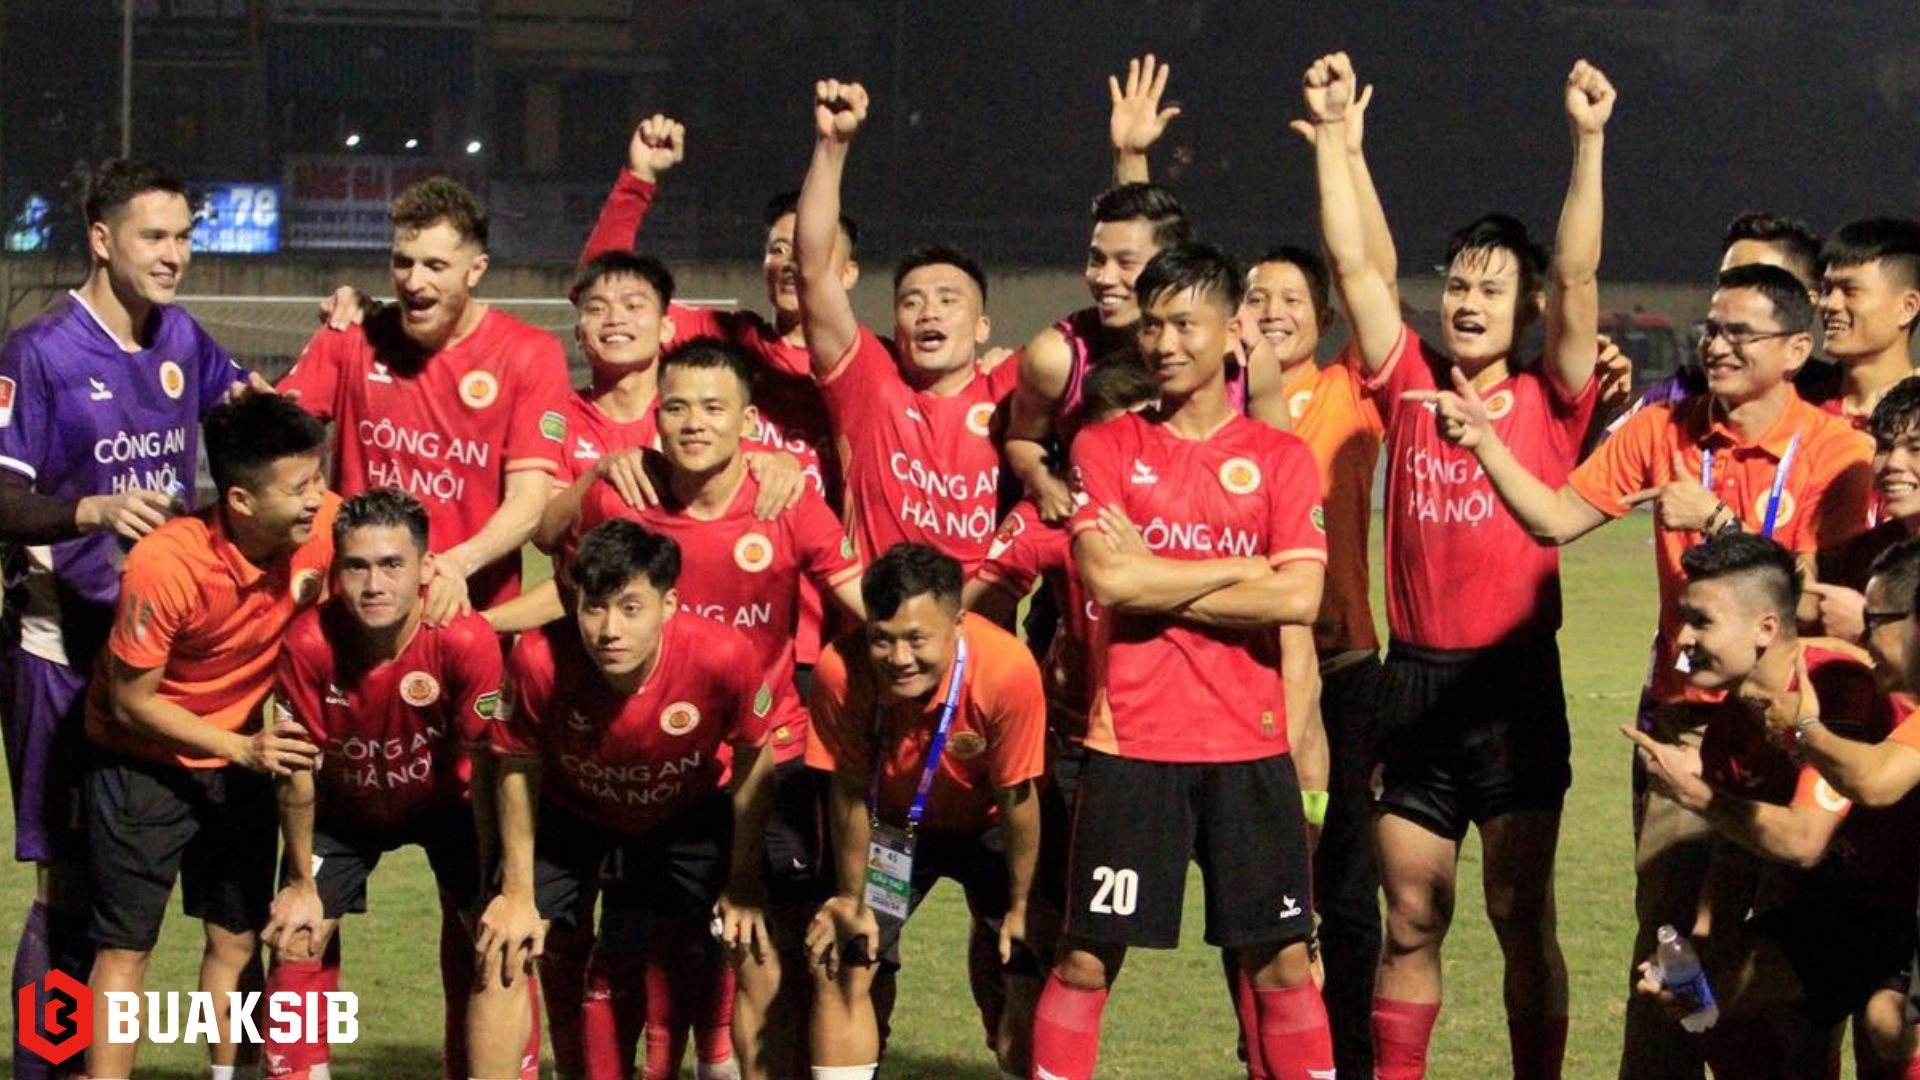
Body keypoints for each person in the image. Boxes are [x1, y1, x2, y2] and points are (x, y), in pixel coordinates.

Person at [1417, 263, 1874, 1079]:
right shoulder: (1664, 431)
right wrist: (1485, 443)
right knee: (1669, 944)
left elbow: (1820, 601)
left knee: (1783, 951)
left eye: (1740, 332)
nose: (1717, 345)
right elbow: (1555, 519)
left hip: (1794, 726)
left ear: (1796, 349)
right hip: (1686, 722)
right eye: (1712, 328)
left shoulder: (1837, 453)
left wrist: (1720, 519)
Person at [1306, 50, 1613, 1078]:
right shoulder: (1411, 383)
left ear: (1526, 310)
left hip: (1513, 691)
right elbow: (1357, 271)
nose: (1468, 301)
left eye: (1492, 288)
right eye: (1459, 284)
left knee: (1520, 914)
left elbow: (1577, 276)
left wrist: (1587, 141)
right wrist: (1338, 141)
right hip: (1416, 684)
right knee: (1410, 918)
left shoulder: (1551, 396)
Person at [1028, 242, 1334, 1080]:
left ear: (1233, 332)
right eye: (1153, 325)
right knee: (1085, 958)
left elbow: (1299, 597)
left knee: (1284, 962)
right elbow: (1109, 580)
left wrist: (1157, 577)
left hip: (1250, 747)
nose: (1164, 343)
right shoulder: (1106, 446)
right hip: (1132, 745)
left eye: (1185, 325)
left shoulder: (1280, 457)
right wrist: (1242, 568)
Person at [0, 157, 254, 1080]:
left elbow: (257, 411)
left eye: (184, 236)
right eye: (155, 236)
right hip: (61, 656)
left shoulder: (183, 336)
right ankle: (48, 1070)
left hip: (161, 663)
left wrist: (338, 342)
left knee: (168, 904)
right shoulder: (38, 353)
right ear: (102, 240)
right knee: (69, 887)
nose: (175, 254)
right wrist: (90, 510)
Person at [574, 339, 867, 1079]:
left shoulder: (784, 498)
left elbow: (858, 595)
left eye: (713, 407)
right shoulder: (625, 495)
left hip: (768, 757)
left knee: (766, 942)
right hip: (657, 763)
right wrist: (595, 472)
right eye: (676, 407)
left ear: (748, 420)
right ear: (655, 416)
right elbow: (554, 546)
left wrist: (946, 644)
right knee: (638, 942)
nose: (694, 423)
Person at [79, 394, 335, 1080]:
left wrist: (438, 574)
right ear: (241, 500)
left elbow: (391, 549)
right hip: (141, 763)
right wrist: (242, 749)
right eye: (300, 488)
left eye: (318, 479)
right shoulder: (166, 564)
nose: (317, 499)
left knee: (237, 938)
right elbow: (131, 702)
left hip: (238, 759)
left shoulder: (322, 524)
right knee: (125, 949)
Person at [469, 520, 777, 1080]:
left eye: (631, 608)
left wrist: (744, 881)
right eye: (594, 608)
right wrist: (516, 892)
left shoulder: (723, 656)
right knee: (502, 947)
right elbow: (515, 766)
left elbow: (756, 758)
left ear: (669, 604)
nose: (609, 630)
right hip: (573, 813)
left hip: (684, 813)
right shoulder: (538, 659)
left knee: (753, 939)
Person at [1625, 533, 1919, 1079]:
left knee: (1887, 1022)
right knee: (1712, 993)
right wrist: (1697, 953)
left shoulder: (1836, 685)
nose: (1682, 638)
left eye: (1701, 621)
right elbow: (1734, 862)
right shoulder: (1729, 730)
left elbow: (1804, 840)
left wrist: (1698, 796)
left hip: (1900, 908)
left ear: (1764, 627)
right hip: (1848, 912)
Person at [257, 488, 527, 1080]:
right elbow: (296, 771)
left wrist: (498, 883)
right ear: (337, 570)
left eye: (391, 565)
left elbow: (490, 767)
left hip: (449, 806)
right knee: (296, 937)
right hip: (345, 810)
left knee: (500, 941)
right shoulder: (308, 642)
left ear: (426, 569)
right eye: (356, 566)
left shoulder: (462, 638)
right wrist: (300, 882)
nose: (374, 584)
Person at [802, 543, 1047, 1080]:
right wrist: (851, 899)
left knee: (1024, 961)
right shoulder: (840, 671)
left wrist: (1022, 905)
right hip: (893, 831)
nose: (899, 658)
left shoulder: (1006, 670)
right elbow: (846, 791)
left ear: (957, 623)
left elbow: (1018, 800)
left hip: (990, 826)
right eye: (882, 638)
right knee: (847, 954)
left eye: (917, 639)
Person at [279, 176, 573, 623]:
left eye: (435, 266)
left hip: (465, 614)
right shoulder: (351, 335)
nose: (414, 282)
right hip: (358, 612)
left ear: (476, 269)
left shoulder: (530, 354)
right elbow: (275, 439)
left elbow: (528, 502)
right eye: (403, 262)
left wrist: (456, 563)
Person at [1238, 241, 1387, 1077]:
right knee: (1256, 879)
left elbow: (1372, 273)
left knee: (1348, 889)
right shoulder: (1217, 399)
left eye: (1292, 298)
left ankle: (1352, 1060)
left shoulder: (1350, 388)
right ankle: (1263, 1053)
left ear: (1326, 318)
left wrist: (1341, 165)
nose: (1272, 312)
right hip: (1250, 668)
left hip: (1343, 670)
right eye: (1257, 296)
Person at [796, 80, 1016, 573]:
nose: (928, 312)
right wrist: (832, 147)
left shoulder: (1010, 388)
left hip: (979, 618)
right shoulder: (868, 384)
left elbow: (1121, 321)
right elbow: (813, 270)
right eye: (911, 302)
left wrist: (1129, 158)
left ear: (982, 327)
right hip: (873, 616)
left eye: (948, 300)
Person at [1003, 55, 1194, 523]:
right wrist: (1043, 480)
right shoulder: (1057, 357)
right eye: (1094, 259)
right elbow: (1022, 438)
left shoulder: (1228, 353)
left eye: (1123, 264)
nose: (1103, 278)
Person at [1811, 218, 1920, 429]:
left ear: (1908, 307)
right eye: (1827, 290)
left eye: (1850, 291)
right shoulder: (1801, 407)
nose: (1830, 304)